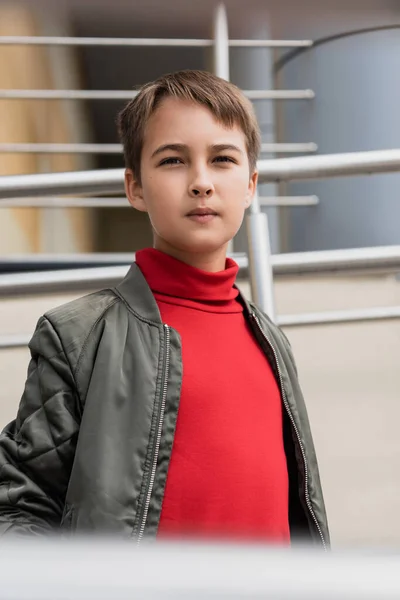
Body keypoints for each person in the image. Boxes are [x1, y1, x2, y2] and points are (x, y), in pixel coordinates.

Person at [0, 70, 329, 546]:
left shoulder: (273, 343)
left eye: (222, 160)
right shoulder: (78, 336)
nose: (201, 182)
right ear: (134, 188)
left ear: (252, 184)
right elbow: (19, 505)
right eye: (173, 160)